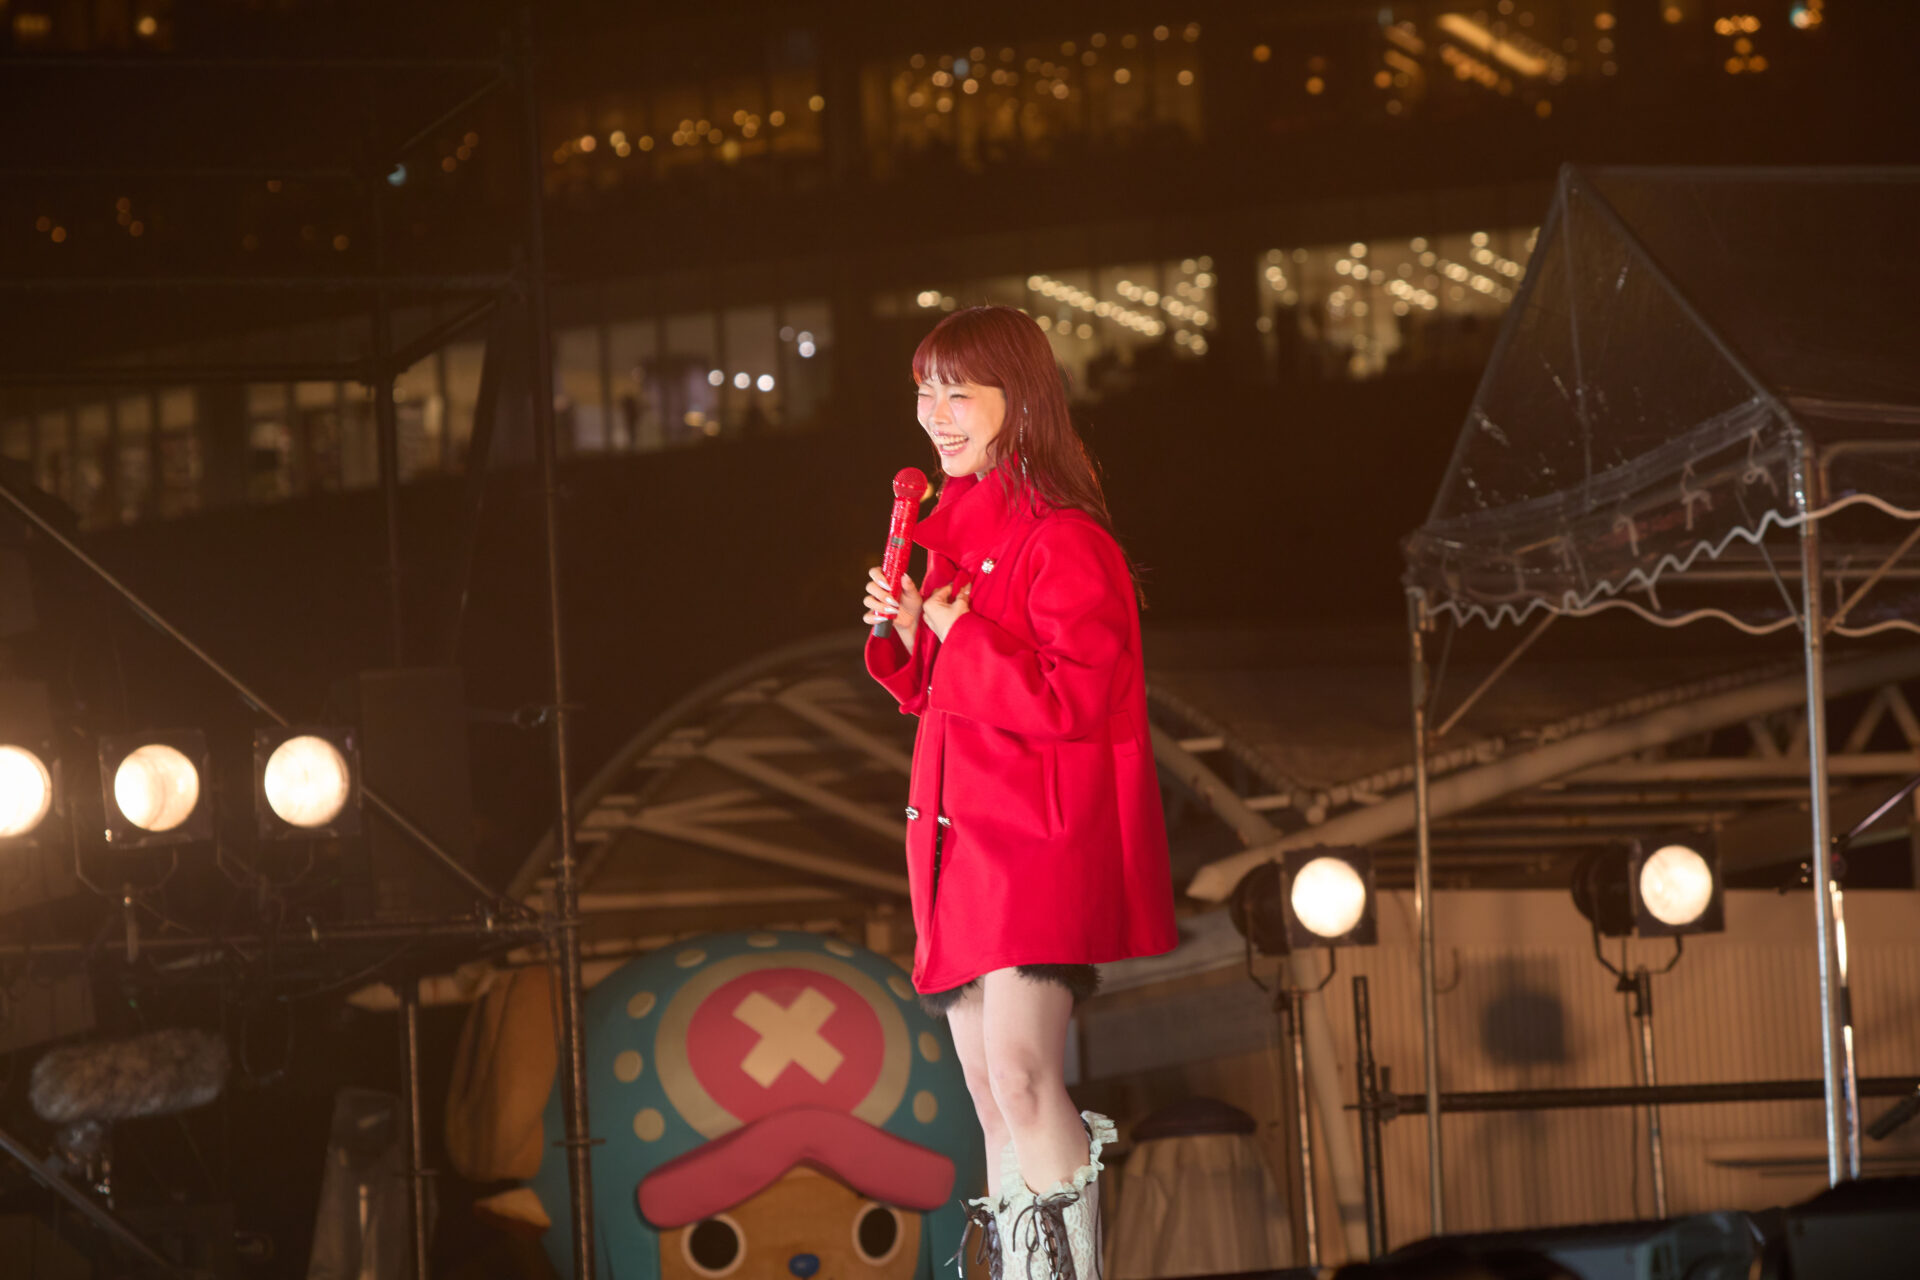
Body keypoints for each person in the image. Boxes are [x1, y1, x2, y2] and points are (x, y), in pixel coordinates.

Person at [859, 305, 1178, 1279]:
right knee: (992, 1091)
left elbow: (1074, 697)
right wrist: (914, 637)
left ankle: (1062, 1273)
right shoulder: (960, 540)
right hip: (963, 844)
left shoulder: (1066, 539)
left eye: (959, 392)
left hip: (1032, 842)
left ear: (1022, 401)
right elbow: (962, 699)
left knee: (1025, 1076)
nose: (935, 414)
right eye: (926, 392)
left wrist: (957, 633)